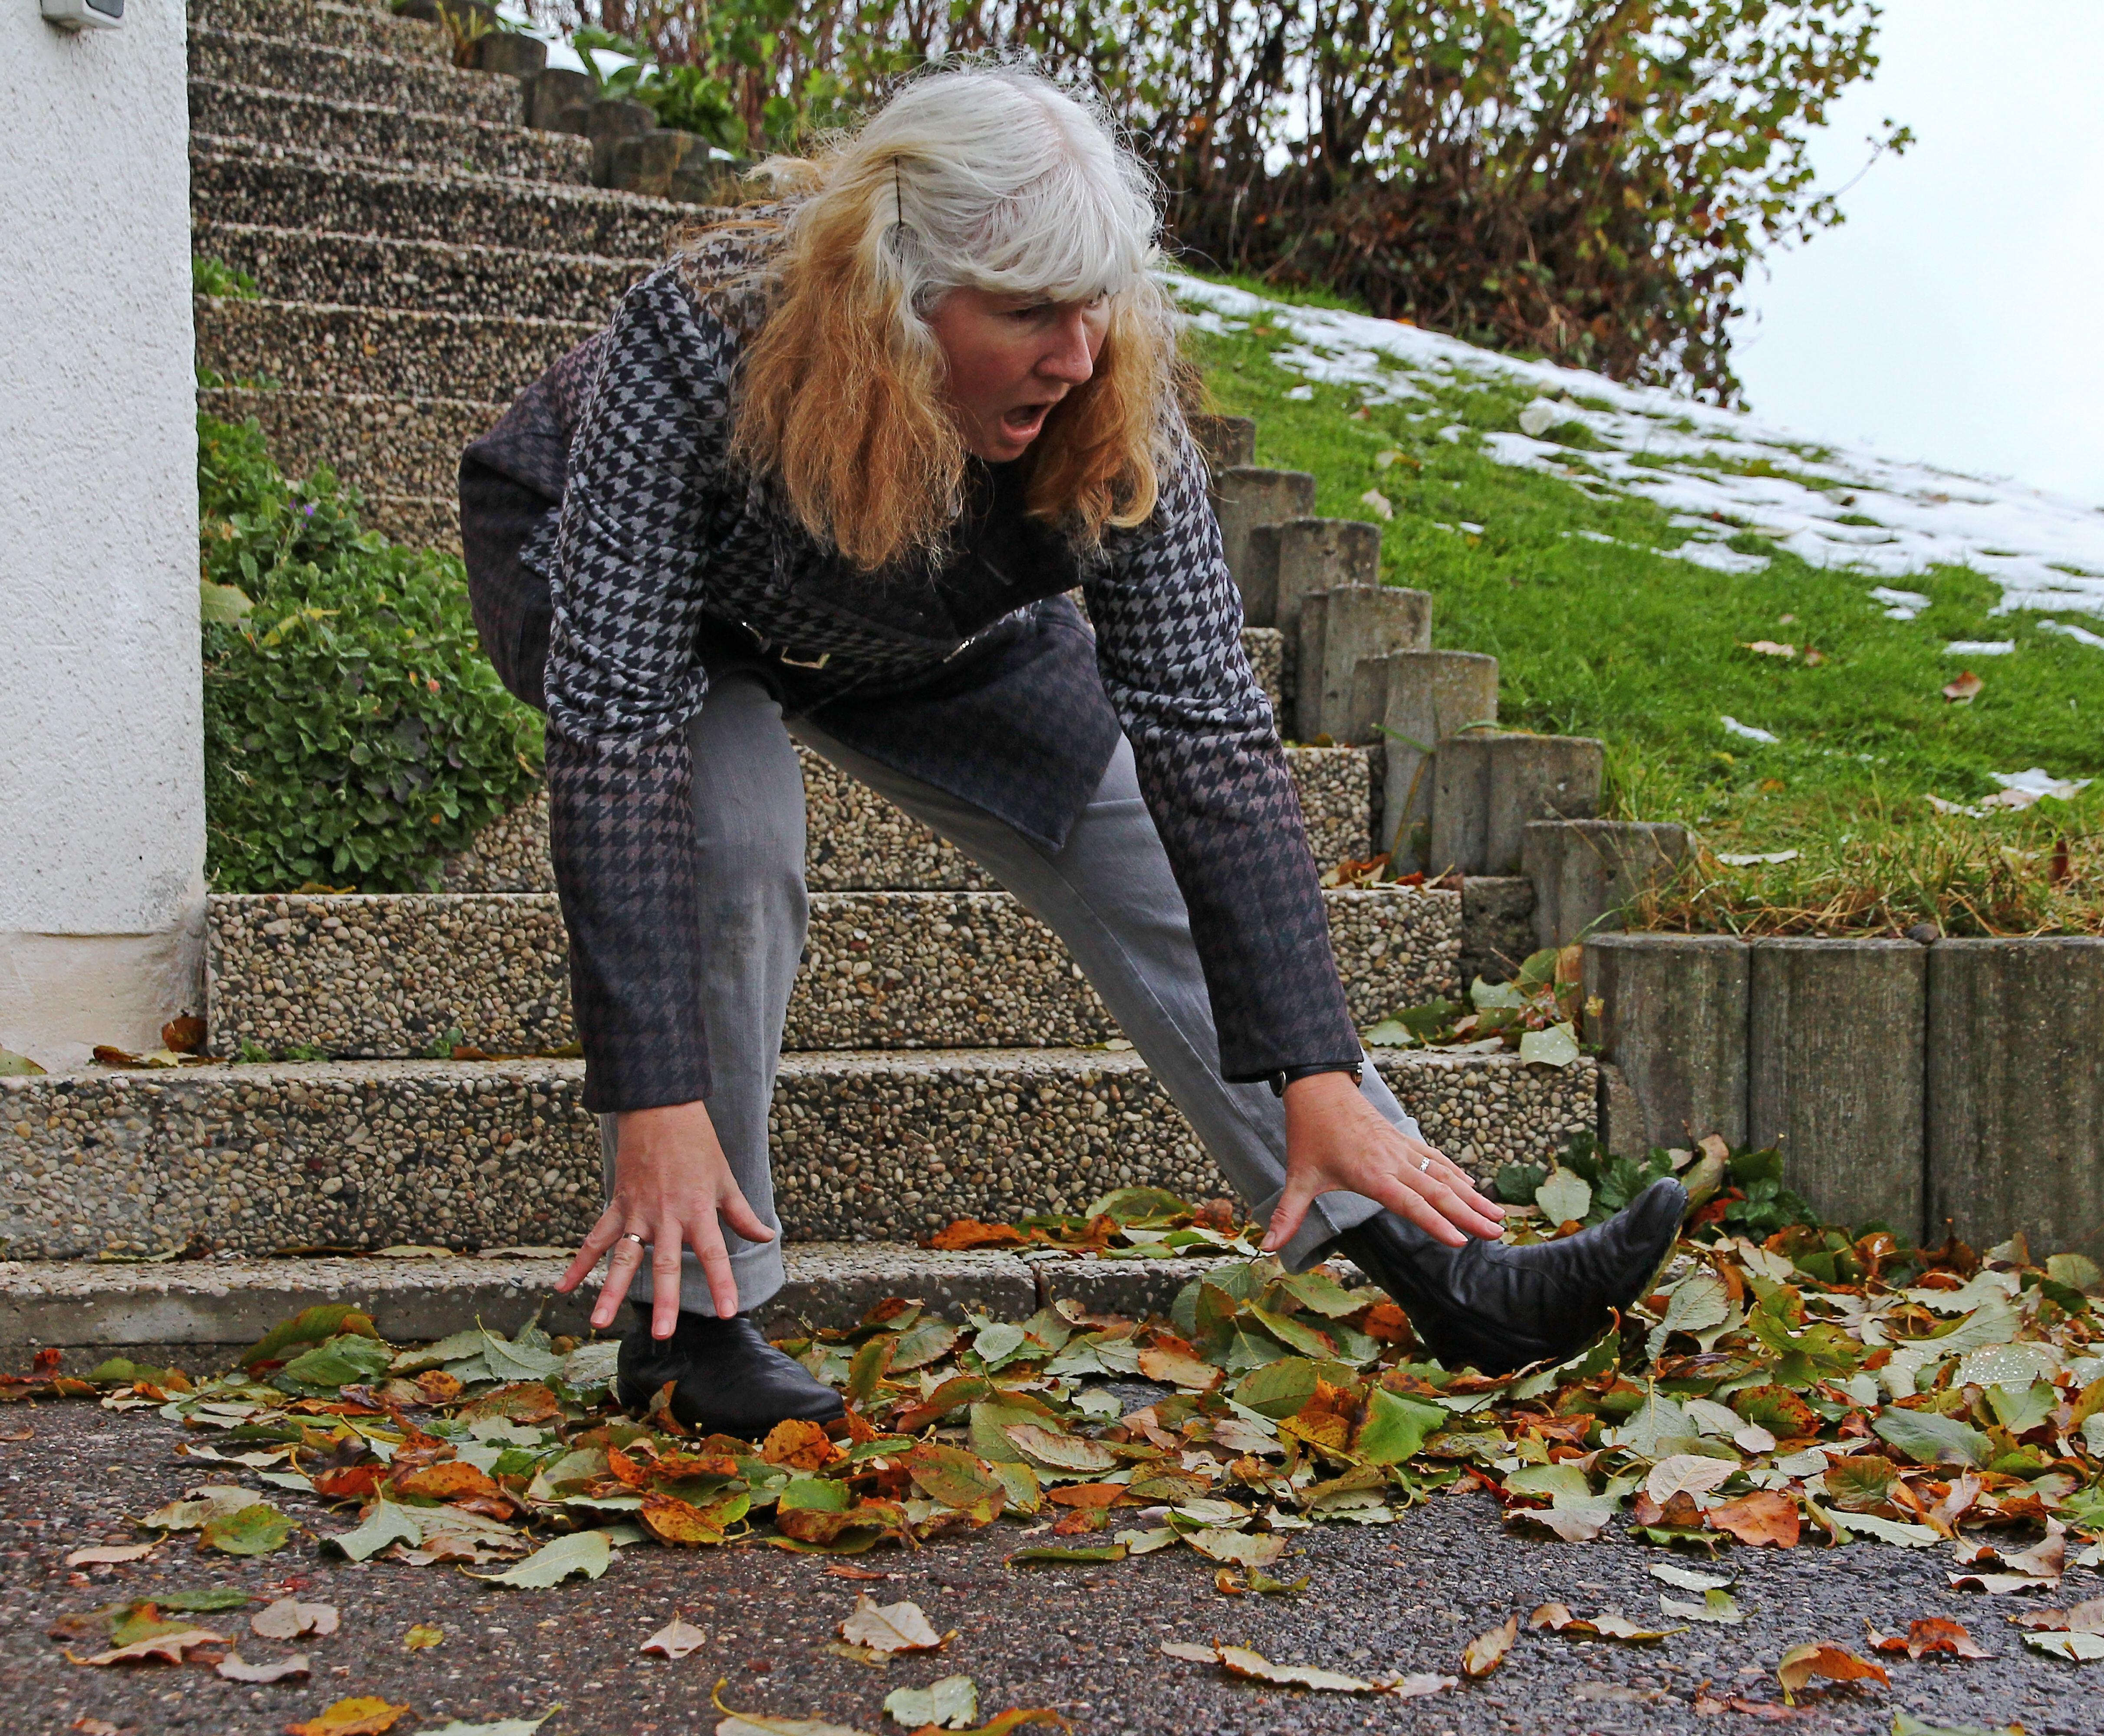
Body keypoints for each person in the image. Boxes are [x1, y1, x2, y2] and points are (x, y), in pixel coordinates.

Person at [456, 63, 1684, 1440]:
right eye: (1030, 313)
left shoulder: (1108, 404)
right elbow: (620, 734)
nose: (1078, 353)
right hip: (644, 597)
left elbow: (1210, 734)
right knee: (729, 831)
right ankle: (694, 1324)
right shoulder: (695, 340)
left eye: (1093, 305)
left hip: (912, 611)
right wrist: (654, 1096)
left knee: (1137, 829)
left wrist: (1318, 1071)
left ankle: (1452, 1275)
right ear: (897, 295)